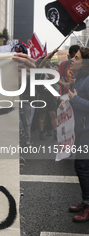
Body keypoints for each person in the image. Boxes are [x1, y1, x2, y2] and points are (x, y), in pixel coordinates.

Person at [62, 47, 89, 222]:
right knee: (81, 168)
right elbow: (74, 97)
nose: (72, 60)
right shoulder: (80, 78)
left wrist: (74, 100)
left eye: (76, 58)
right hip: (81, 129)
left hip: (87, 130)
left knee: (83, 167)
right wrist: (66, 102)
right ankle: (85, 201)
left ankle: (87, 205)